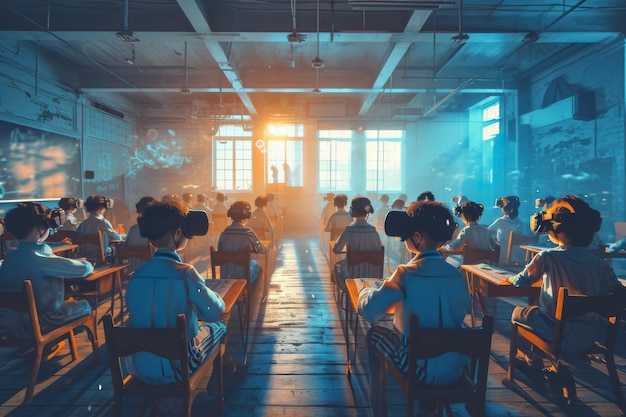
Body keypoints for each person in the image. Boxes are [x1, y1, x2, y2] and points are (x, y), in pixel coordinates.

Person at [358, 201, 470, 414]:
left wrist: (365, 291)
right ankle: (434, 408)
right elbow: (463, 307)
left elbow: (371, 311)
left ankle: (380, 405)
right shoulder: (456, 274)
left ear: (417, 237)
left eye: (406, 236)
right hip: (454, 370)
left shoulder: (405, 273)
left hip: (419, 371)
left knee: (375, 334)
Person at [508, 195, 624, 359]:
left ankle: (530, 360)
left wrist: (511, 279)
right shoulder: (600, 264)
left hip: (556, 333)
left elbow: (521, 282)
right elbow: (618, 291)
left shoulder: (547, 256)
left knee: (519, 313)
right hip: (591, 336)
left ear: (557, 228)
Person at [125, 200, 227, 386]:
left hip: (139, 368)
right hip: (179, 368)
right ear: (178, 232)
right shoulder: (186, 273)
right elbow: (214, 312)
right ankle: (220, 378)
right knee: (219, 326)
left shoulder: (136, 276)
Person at [0, 202, 93, 341]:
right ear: (42, 227)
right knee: (85, 305)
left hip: (10, 326)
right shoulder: (41, 259)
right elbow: (84, 268)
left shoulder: (8, 261)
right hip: (38, 325)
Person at [332, 197, 381, 286]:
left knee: (337, 267)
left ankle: (346, 292)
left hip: (352, 274)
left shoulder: (349, 230)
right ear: (367, 214)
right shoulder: (373, 231)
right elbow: (378, 249)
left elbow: (336, 249)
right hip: (372, 274)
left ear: (352, 212)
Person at [217, 201, 266, 285]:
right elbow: (261, 250)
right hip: (243, 277)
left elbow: (219, 249)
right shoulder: (248, 233)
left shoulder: (223, 234)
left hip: (225, 277)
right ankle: (252, 297)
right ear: (247, 214)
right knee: (260, 269)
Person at [77, 195, 122, 262]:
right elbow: (114, 238)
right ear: (101, 208)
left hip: (85, 258)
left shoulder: (82, 224)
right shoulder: (103, 222)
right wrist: (119, 235)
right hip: (102, 258)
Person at [488, 195, 525, 264]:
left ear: (503, 208)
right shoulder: (521, 223)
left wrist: (494, 239)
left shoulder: (501, 222)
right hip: (519, 260)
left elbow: (486, 232)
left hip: (503, 258)